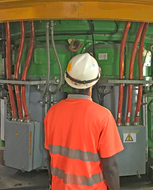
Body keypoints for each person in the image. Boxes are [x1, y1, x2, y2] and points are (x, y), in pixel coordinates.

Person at [44, 53, 124, 190]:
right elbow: (110, 167)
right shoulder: (103, 117)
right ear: (95, 81)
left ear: (67, 78)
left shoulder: (52, 113)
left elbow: (49, 157)